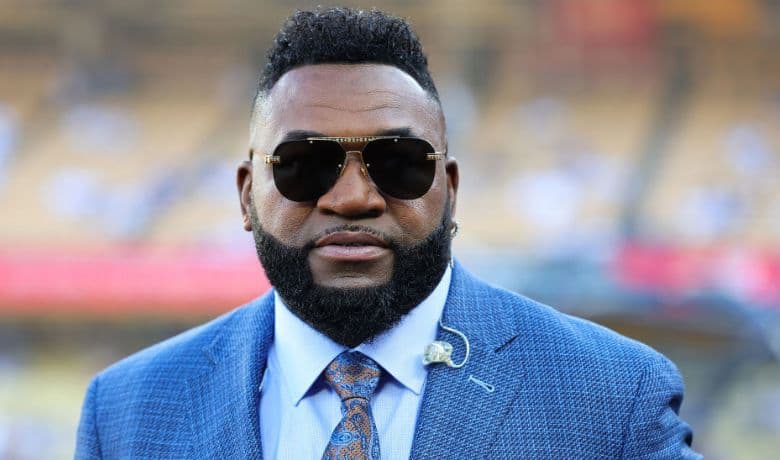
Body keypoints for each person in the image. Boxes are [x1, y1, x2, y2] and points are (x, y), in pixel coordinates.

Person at [75, 7, 700, 459]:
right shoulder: (125, 413)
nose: (352, 198)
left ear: (450, 187)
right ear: (247, 194)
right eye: (305, 166)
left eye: (399, 163)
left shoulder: (612, 400)